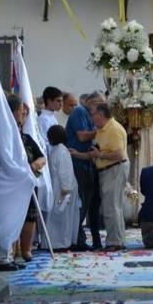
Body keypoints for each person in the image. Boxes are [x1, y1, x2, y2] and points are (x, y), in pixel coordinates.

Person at [6, 94, 47, 266]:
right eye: (21, 111)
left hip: (29, 182)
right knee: (12, 216)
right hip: (12, 185)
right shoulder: (6, 136)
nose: (23, 115)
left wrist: (35, 165)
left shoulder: (27, 139)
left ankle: (26, 249)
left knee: (30, 216)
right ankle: (11, 250)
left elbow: (41, 158)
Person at [87, 103, 129, 251]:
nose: (91, 118)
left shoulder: (113, 129)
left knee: (111, 207)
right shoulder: (101, 129)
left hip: (114, 169)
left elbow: (119, 154)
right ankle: (118, 239)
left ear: (100, 115)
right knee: (113, 206)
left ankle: (114, 242)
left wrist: (101, 155)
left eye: (93, 115)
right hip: (107, 170)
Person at [66, 92, 104, 251]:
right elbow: (82, 136)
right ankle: (76, 240)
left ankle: (83, 239)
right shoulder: (80, 112)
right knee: (81, 203)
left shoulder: (88, 114)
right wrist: (103, 130)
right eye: (100, 105)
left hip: (88, 164)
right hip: (79, 164)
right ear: (92, 102)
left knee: (89, 203)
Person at [45, 125, 81, 250]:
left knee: (62, 217)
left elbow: (65, 172)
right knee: (58, 217)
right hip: (58, 188)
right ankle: (55, 242)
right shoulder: (58, 150)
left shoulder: (61, 151)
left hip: (62, 190)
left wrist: (65, 190)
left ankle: (62, 243)